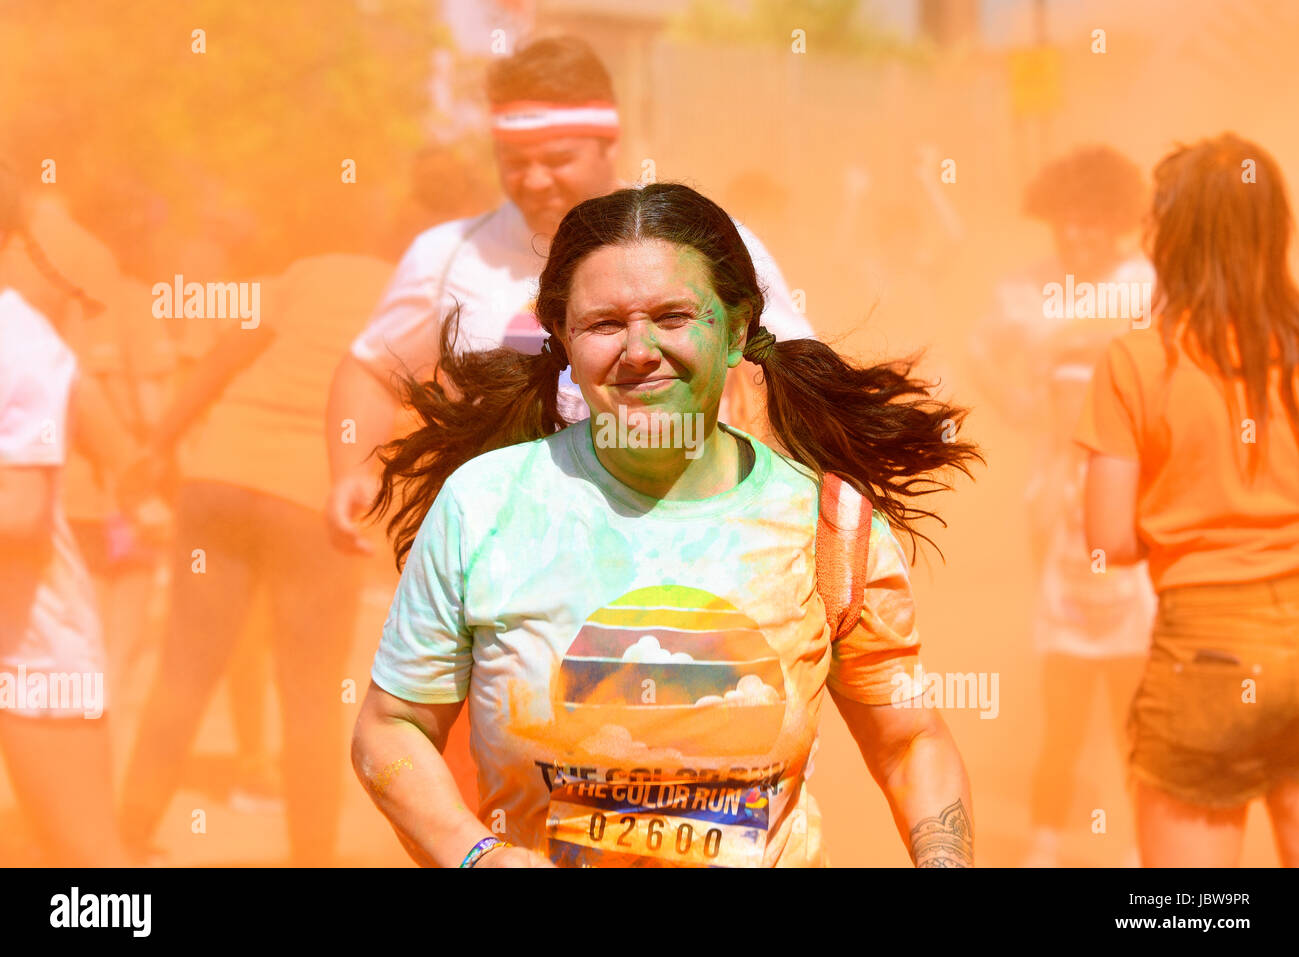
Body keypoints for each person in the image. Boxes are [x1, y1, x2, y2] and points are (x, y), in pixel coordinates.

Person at [350, 182, 981, 868]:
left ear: (737, 329)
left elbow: (909, 741)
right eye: (604, 324)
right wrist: (477, 856)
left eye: (674, 316)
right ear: (562, 337)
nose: (639, 349)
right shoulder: (484, 505)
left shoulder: (828, 526)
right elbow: (392, 728)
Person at [324, 35, 814, 557]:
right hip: (507, 550)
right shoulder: (445, 256)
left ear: (609, 145)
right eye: (514, 160)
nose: (533, 179)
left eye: (557, 159)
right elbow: (372, 368)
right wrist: (352, 472)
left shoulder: (703, 242)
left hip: (685, 540)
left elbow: (789, 369)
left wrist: (803, 501)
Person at [118, 254, 394, 865]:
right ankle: (312, 854)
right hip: (312, 499)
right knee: (311, 691)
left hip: (219, 476)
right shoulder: (423, 287)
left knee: (184, 668)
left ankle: (129, 830)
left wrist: (159, 445)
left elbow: (224, 358)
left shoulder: (310, 272)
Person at [1076, 133, 1299, 867]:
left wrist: (1186, 515)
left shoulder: (1138, 360)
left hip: (1204, 652)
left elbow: (1108, 538)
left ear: (1166, 235)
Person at [969, 146, 1156, 867]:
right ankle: (1046, 843)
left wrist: (1067, 339)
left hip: (1138, 496)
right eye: (1065, 225)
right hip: (1052, 501)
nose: (1077, 239)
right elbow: (982, 347)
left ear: (1117, 223)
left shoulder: (1145, 281)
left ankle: (1149, 847)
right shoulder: (1026, 287)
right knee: (1067, 665)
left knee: (1133, 682)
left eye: (1093, 225)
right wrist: (1016, 400)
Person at [0, 159, 139, 865]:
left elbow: (19, 516)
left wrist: (132, 487)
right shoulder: (86, 258)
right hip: (81, 502)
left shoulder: (18, 340)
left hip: (27, 641)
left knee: (89, 869)